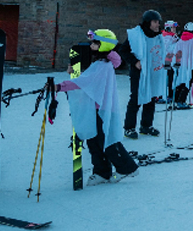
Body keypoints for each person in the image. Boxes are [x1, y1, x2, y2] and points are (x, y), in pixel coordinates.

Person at [57, 30, 139, 185]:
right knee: (94, 141)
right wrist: (75, 72)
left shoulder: (103, 65)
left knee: (106, 141)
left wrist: (59, 87)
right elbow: (88, 79)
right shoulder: (101, 63)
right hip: (96, 109)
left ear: (104, 45)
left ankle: (127, 168)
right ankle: (102, 172)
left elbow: (84, 82)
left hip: (102, 110)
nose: (92, 45)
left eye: (95, 43)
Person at [120, 10, 166, 139]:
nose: (158, 25)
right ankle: (129, 128)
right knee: (136, 98)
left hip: (152, 71)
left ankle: (146, 126)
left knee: (151, 98)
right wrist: (134, 62)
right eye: (155, 22)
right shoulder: (135, 35)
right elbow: (123, 50)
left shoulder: (158, 36)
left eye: (158, 22)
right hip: (138, 72)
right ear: (148, 22)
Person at [173, 22, 193, 109]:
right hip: (191, 66)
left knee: (181, 82)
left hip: (181, 66)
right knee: (188, 83)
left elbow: (176, 53)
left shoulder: (180, 41)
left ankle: (176, 100)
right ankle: (181, 101)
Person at [161, 20, 180, 104]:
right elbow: (166, 49)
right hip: (165, 62)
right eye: (173, 28)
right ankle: (164, 96)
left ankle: (170, 95)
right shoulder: (165, 37)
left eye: (175, 28)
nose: (175, 29)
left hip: (172, 61)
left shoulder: (173, 37)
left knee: (171, 79)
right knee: (166, 80)